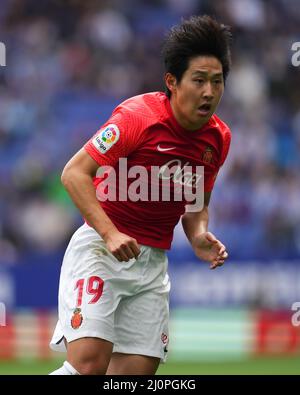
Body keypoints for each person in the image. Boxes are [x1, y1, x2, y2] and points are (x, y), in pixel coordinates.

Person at [49, 15, 232, 375]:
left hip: (151, 267)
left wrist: (197, 235)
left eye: (217, 81)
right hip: (101, 250)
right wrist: (110, 232)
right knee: (89, 367)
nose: (209, 92)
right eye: (198, 80)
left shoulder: (218, 139)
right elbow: (74, 173)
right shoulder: (137, 118)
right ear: (172, 82)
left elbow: (197, 202)